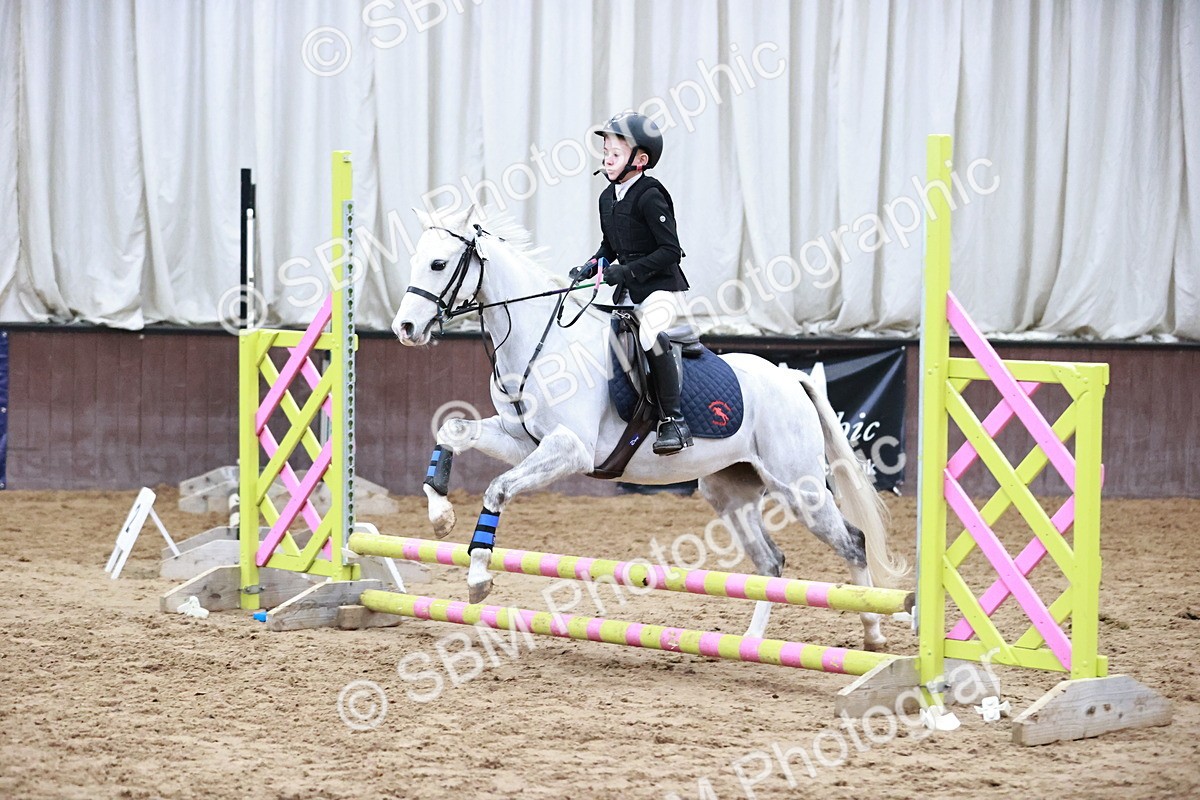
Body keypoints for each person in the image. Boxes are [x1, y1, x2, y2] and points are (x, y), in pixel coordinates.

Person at [570, 111, 693, 455]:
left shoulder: (650, 194)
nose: (608, 159)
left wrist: (625, 272)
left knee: (649, 334)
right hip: (629, 293)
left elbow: (671, 251)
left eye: (616, 153)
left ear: (640, 160)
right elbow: (610, 246)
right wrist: (592, 266)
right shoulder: (607, 198)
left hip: (662, 291)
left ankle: (674, 420)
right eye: (606, 152)